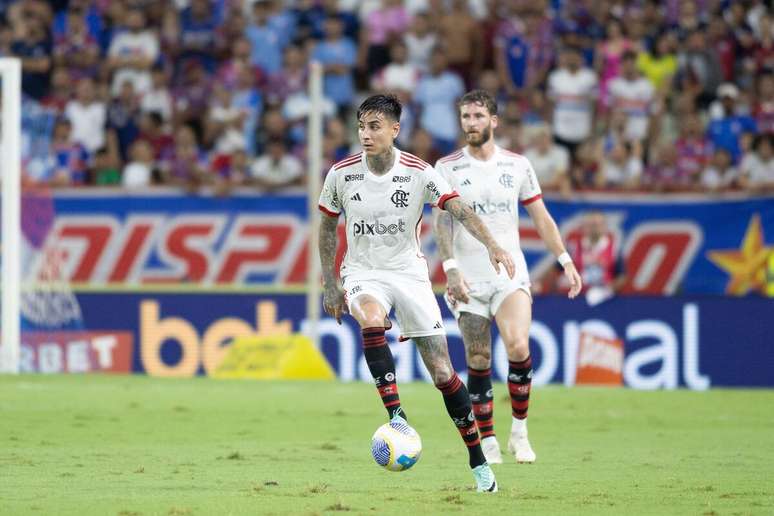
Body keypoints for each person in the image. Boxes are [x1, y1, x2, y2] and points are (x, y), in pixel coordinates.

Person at [318, 94, 515, 493]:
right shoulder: (341, 174)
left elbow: (458, 209)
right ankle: (397, 416)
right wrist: (330, 281)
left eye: (374, 126)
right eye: (361, 126)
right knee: (371, 318)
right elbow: (325, 228)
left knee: (443, 373)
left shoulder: (418, 172)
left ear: (394, 130)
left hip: (409, 275)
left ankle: (479, 463)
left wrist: (492, 244)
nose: (365, 134)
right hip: (362, 272)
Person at [432, 90, 582, 465]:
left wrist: (564, 258)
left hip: (509, 274)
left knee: (517, 345)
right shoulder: (447, 167)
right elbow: (442, 222)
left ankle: (520, 431)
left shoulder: (517, 165)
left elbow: (541, 217)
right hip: (467, 279)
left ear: (493, 121)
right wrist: (450, 269)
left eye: (478, 116)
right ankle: (489, 440)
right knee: (479, 357)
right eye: (465, 117)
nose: (471, 124)